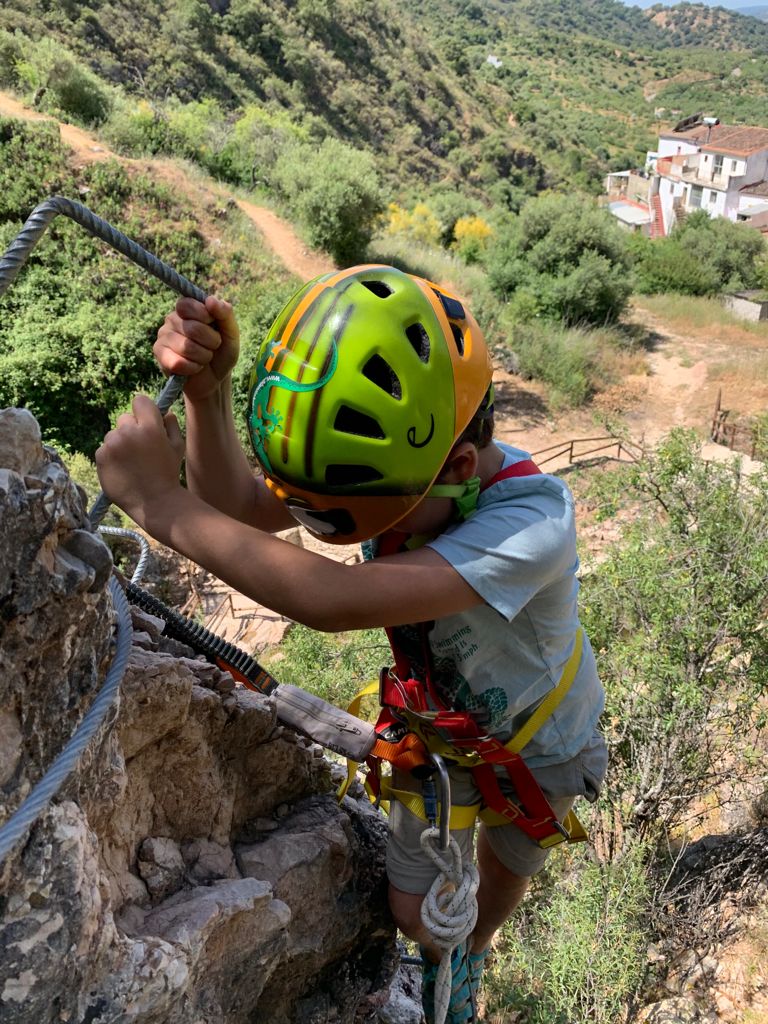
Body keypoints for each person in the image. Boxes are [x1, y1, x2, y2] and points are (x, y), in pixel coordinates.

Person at [95, 265, 607, 1024]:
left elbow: (329, 600)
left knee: (509, 860)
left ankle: (476, 951)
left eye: (349, 514)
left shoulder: (531, 526)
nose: (329, 521)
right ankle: (442, 946)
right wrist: (210, 394)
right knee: (415, 909)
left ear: (459, 469)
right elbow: (239, 503)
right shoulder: (396, 468)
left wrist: (158, 503)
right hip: (435, 730)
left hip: (544, 742)